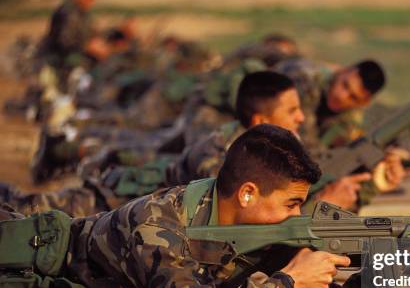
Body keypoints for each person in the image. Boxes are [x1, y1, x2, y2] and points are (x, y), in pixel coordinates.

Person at [0, 124, 410, 288]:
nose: (300, 215)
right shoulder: (156, 225)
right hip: (28, 268)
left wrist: (400, 270)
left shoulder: (264, 231)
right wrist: (288, 283)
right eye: (293, 203)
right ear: (248, 193)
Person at [3, 72, 385, 216]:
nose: (302, 118)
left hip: (138, 212)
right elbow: (234, 217)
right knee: (24, 210)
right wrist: (323, 204)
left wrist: (366, 185)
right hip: (111, 200)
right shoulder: (221, 152)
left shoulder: (255, 148)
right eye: (293, 110)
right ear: (261, 121)